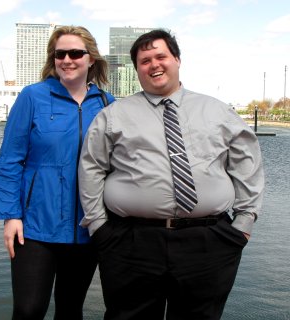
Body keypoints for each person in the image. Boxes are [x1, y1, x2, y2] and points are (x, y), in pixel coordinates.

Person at [78, 29, 264, 320]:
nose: (154, 64)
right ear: (137, 68)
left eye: (161, 56)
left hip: (208, 241)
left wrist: (244, 222)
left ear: (177, 59)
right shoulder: (114, 115)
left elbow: (247, 165)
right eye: (144, 60)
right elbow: (91, 167)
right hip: (130, 242)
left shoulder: (218, 112)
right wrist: (99, 226)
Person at [0, 25, 114, 319]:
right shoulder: (32, 97)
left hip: (88, 228)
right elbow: (10, 160)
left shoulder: (108, 104)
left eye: (75, 53)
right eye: (60, 54)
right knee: (28, 309)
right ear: (53, 58)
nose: (67, 59)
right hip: (34, 228)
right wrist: (11, 215)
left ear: (91, 59)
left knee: (71, 310)